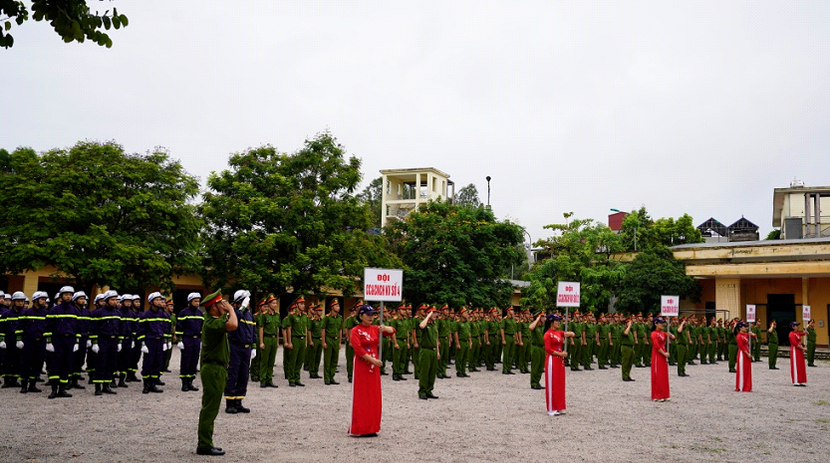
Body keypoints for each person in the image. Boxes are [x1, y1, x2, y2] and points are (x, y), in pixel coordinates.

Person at [197, 290, 238, 456]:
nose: (224, 306)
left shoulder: (214, 320)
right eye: (221, 303)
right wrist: (232, 310)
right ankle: (204, 445)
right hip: (213, 368)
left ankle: (206, 442)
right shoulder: (211, 323)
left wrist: (228, 311)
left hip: (217, 367)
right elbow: (233, 325)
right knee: (210, 408)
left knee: (211, 407)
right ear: (214, 307)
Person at [348, 304, 395, 437]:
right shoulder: (356, 330)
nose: (371, 317)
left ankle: (372, 427)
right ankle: (359, 427)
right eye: (368, 315)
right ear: (360, 316)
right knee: (362, 395)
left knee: (373, 396)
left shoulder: (375, 329)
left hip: (374, 366)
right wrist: (373, 361)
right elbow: (358, 349)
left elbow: (392, 331)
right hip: (362, 364)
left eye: (373, 315)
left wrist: (386, 328)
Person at [45, 287, 80, 398]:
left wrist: (77, 342)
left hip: (69, 340)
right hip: (57, 340)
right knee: (55, 365)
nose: (68, 296)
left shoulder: (75, 311)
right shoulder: (54, 310)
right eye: (65, 295)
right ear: (61, 296)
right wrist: (49, 342)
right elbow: (48, 327)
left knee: (67, 365)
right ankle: (54, 389)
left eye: (70, 294)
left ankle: (62, 389)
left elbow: (78, 328)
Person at [224, 290, 255, 413]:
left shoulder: (249, 315)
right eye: (246, 300)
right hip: (235, 347)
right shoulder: (234, 313)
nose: (248, 303)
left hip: (246, 348)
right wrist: (241, 308)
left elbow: (254, 331)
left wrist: (254, 346)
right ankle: (230, 402)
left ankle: (239, 401)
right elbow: (235, 319)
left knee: (244, 375)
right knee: (233, 374)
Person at [544, 313, 574, 416]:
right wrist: (561, 354)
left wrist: (571, 333)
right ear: (551, 322)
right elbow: (548, 349)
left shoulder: (558, 333)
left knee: (560, 383)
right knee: (552, 383)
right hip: (552, 360)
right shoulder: (548, 334)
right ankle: (552, 408)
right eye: (557, 321)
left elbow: (565, 334)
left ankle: (560, 406)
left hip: (559, 360)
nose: (558, 323)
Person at [177, 292, 204, 392]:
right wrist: (180, 340)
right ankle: (184, 383)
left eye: (198, 301)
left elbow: (202, 327)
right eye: (195, 301)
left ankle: (190, 381)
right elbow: (179, 327)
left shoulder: (200, 313)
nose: (197, 303)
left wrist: (201, 340)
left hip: (196, 339)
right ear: (190, 302)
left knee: (194, 361)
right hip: (187, 339)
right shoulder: (184, 313)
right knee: (186, 361)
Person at [256, 294, 280, 388]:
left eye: (276, 303)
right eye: (273, 303)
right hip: (267, 338)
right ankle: (263, 379)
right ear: (269, 304)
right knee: (264, 360)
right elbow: (261, 328)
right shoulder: (264, 315)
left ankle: (269, 379)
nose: (275, 304)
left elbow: (277, 329)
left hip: (274, 339)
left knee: (271, 360)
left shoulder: (277, 315)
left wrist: (277, 341)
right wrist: (261, 342)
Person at [417, 306, 440, 400]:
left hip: (433, 350)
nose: (435, 315)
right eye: (433, 313)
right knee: (424, 372)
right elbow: (421, 326)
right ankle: (422, 391)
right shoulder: (425, 324)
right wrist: (427, 316)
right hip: (425, 350)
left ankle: (429, 390)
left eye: (436, 313)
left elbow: (436, 339)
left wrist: (438, 352)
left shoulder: (434, 325)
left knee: (432, 372)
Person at [650, 317, 674, 402]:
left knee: (664, 375)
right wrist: (664, 353)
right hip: (657, 355)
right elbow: (656, 346)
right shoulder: (654, 334)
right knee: (658, 374)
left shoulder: (663, 333)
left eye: (662, 323)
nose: (662, 324)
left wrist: (670, 334)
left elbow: (673, 337)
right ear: (656, 324)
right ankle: (657, 395)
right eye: (660, 323)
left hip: (663, 355)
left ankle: (665, 394)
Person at [321, 299, 342, 385]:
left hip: (336, 340)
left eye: (338, 306)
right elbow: (323, 329)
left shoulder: (340, 318)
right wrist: (323, 342)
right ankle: (327, 378)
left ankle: (332, 376)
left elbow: (340, 330)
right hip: (329, 339)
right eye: (336, 306)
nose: (338, 307)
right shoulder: (327, 317)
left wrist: (340, 342)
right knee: (327, 359)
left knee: (334, 360)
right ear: (332, 307)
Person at [735, 321, 755, 392]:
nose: (746, 328)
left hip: (747, 353)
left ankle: (747, 385)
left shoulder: (746, 335)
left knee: (747, 370)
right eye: (744, 327)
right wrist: (747, 354)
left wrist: (751, 334)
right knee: (742, 369)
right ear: (740, 328)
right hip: (742, 354)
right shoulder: (739, 336)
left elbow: (754, 336)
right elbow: (741, 346)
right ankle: (741, 386)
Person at [789, 322, 808, 387]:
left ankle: (800, 379)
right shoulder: (791, 334)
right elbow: (795, 344)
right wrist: (803, 348)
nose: (797, 327)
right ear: (793, 327)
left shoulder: (797, 333)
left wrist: (806, 330)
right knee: (795, 365)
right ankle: (796, 380)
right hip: (795, 350)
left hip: (799, 351)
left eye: (797, 326)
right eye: (796, 326)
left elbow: (802, 333)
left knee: (800, 365)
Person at [620, 317, 637, 382]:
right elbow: (625, 333)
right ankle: (624, 376)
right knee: (625, 362)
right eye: (629, 322)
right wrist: (629, 326)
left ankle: (628, 375)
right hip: (625, 347)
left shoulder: (630, 331)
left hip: (631, 347)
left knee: (630, 362)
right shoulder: (623, 329)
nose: (630, 324)